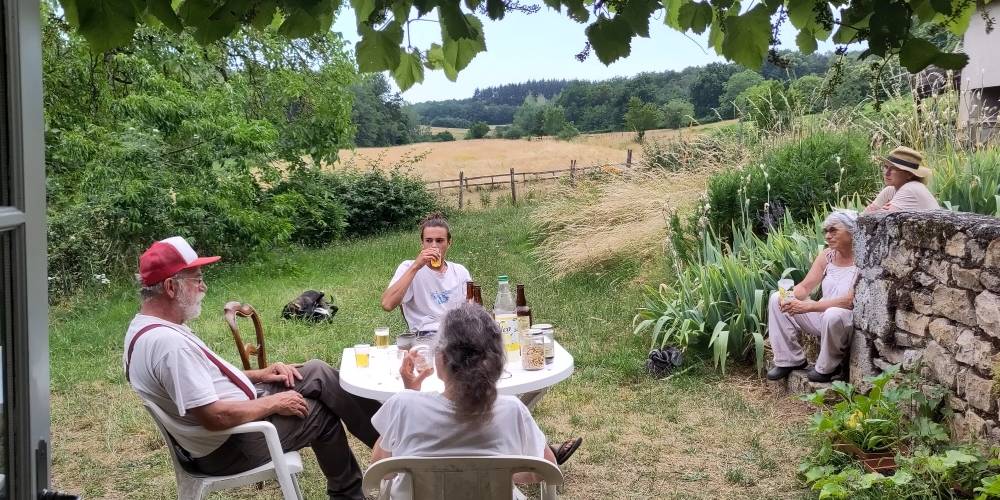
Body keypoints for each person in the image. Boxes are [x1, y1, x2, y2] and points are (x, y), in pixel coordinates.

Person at [123, 236, 381, 500]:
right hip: (230, 446)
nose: (204, 287)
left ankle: (389, 446)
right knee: (319, 414)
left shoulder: (143, 328)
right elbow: (215, 417)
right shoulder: (169, 345)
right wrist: (274, 403)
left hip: (229, 426)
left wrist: (261, 374)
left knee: (315, 370)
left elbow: (199, 382)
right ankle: (354, 492)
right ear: (170, 286)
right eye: (197, 279)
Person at [369, 304, 559, 498]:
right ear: (495, 363)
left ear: (441, 358)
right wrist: (503, 470)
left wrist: (410, 393)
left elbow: (381, 470)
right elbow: (546, 469)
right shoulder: (512, 410)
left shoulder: (404, 405)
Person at [766, 211, 859, 383]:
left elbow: (849, 301)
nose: (828, 236)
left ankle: (827, 369)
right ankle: (789, 360)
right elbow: (805, 286)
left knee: (833, 314)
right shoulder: (827, 256)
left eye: (833, 231)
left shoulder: (864, 260)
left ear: (851, 231)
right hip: (821, 314)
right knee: (775, 298)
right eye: (826, 231)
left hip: (844, 319)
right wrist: (788, 296)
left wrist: (809, 306)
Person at [381, 212, 472, 333]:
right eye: (429, 240)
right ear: (422, 243)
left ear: (449, 243)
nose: (434, 246)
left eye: (439, 241)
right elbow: (387, 304)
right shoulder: (408, 267)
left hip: (456, 334)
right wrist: (416, 266)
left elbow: (473, 309)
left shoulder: (460, 271)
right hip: (425, 335)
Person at [864, 146, 939, 213]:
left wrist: (878, 212)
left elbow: (877, 220)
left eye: (894, 169)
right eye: (886, 167)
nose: (887, 173)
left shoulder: (910, 188)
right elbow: (865, 215)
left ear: (909, 174)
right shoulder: (891, 190)